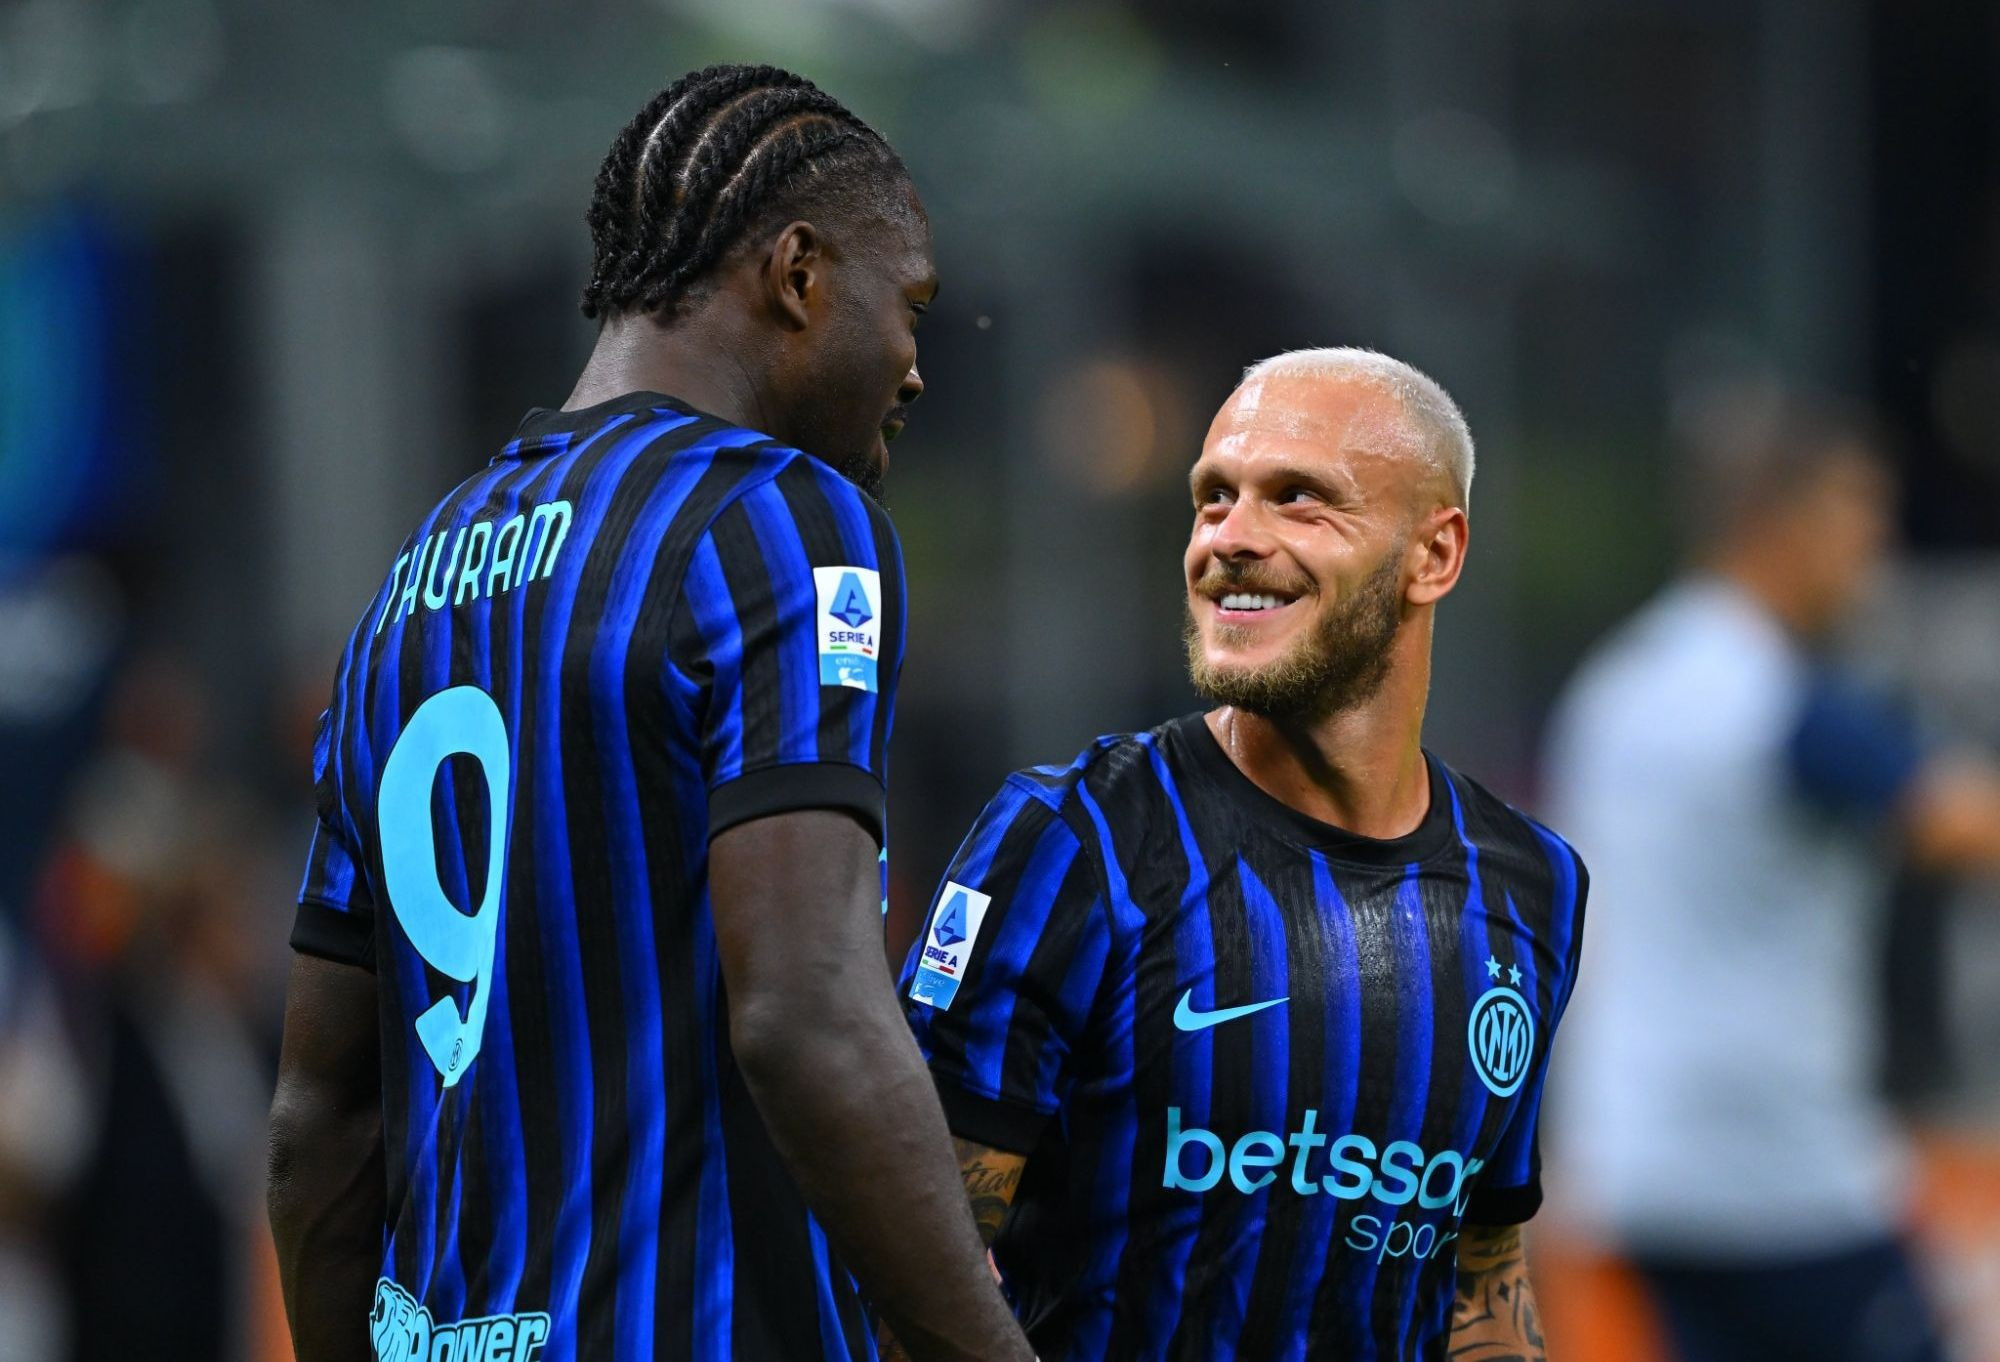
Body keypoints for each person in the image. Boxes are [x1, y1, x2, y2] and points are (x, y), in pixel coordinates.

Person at [266, 64, 1032, 1362]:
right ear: (799, 274)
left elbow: (319, 1124)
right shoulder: (776, 520)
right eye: (907, 308)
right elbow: (807, 1017)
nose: (912, 370)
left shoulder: (410, 592)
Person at [889, 349, 1588, 1360]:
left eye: (1298, 499)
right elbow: (904, 1260)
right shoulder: (1078, 840)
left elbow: (1480, 1278)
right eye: (1212, 498)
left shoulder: (1530, 886)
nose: (1229, 538)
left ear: (1433, 556)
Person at [1543, 387, 2000, 1362]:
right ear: (1782, 521)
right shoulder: (1784, 702)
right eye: (1858, 510)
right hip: (1777, 1168)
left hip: (1638, 1157)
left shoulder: (1615, 686)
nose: (1875, 545)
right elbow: (1960, 824)